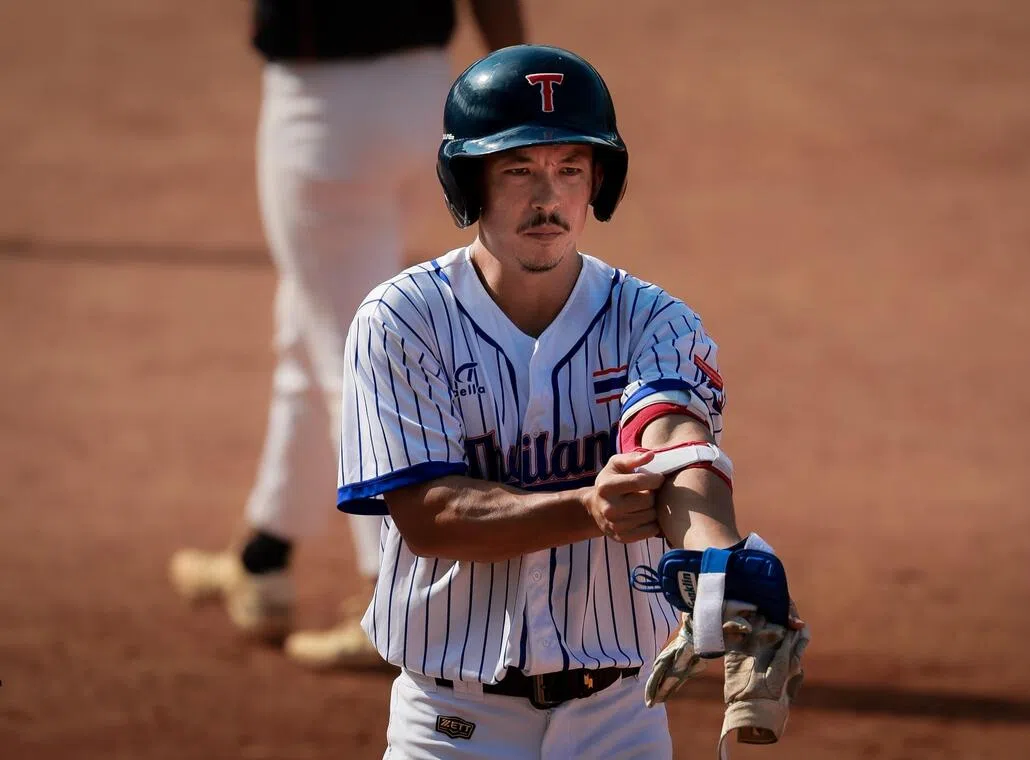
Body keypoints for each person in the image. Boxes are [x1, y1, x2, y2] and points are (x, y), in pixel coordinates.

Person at [337, 44, 808, 758]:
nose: (547, 198)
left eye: (569, 170)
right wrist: (588, 509)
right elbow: (430, 516)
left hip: (620, 719)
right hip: (454, 724)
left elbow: (674, 443)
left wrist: (719, 564)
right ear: (471, 183)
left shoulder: (654, 320)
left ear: (598, 185)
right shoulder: (403, 319)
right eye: (517, 169)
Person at [169, 0, 526, 670]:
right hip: (429, 101)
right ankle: (264, 556)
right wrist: (513, 75)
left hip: (322, 115)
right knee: (309, 323)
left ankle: (398, 601)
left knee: (348, 357)